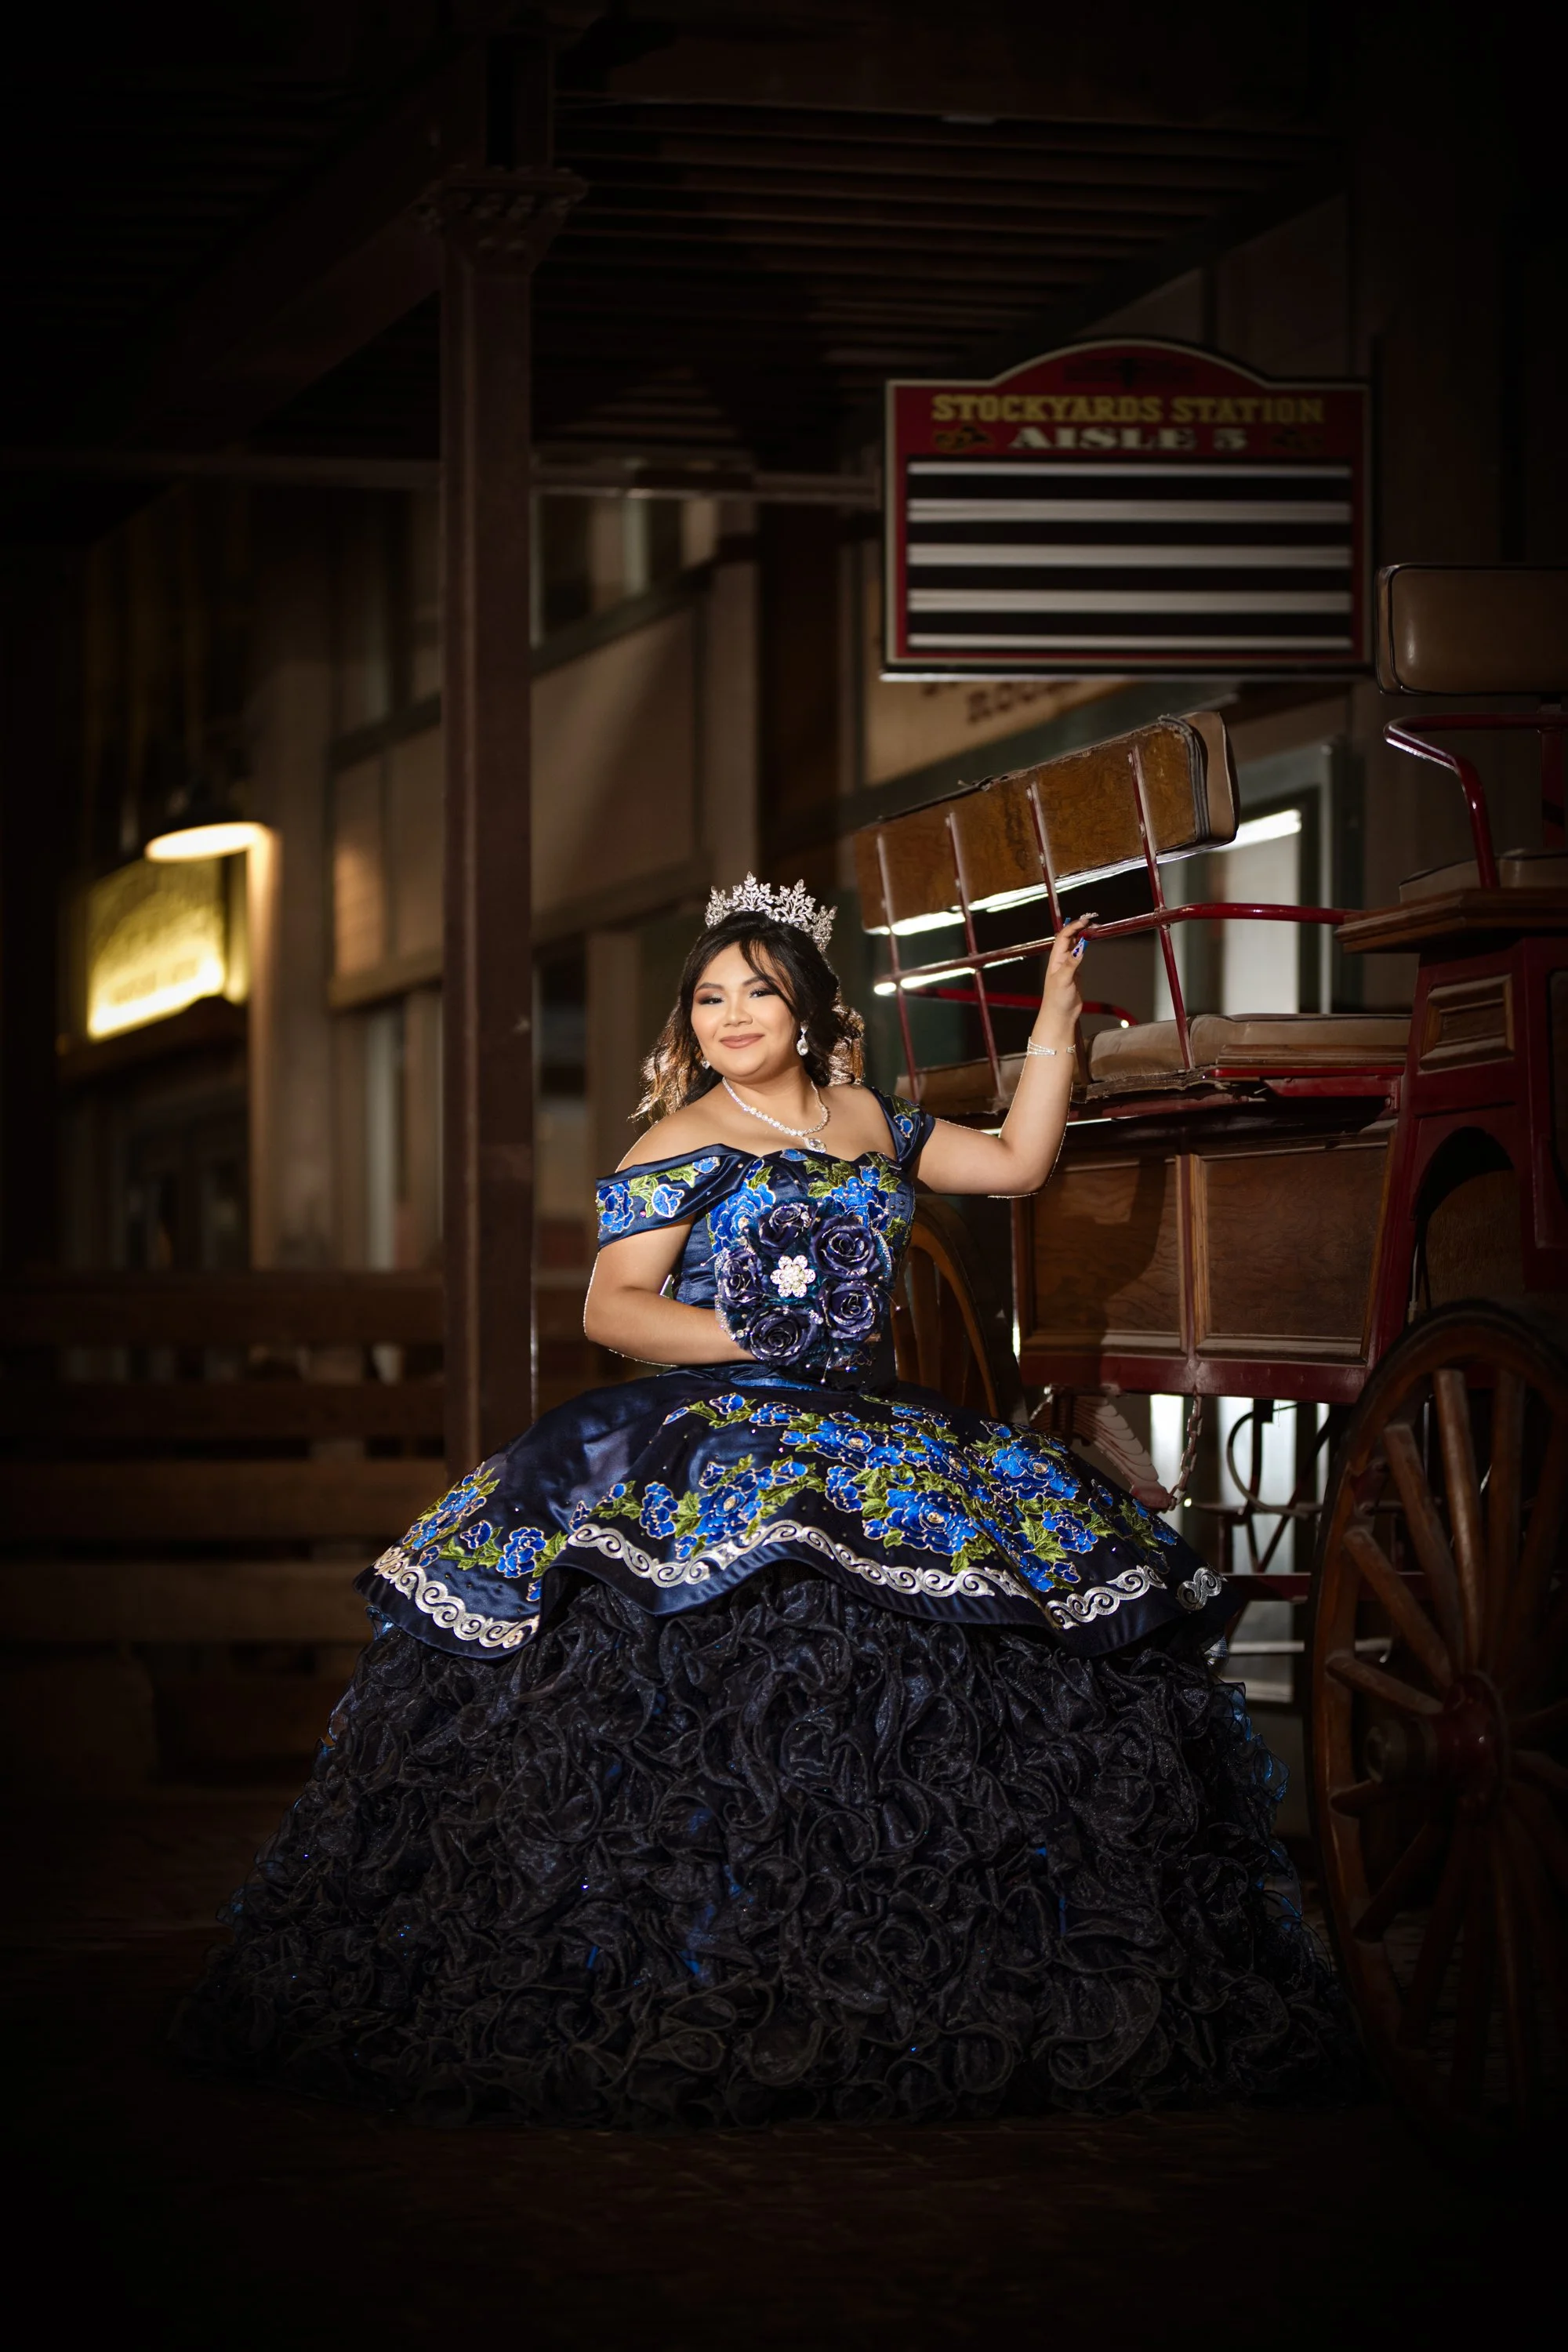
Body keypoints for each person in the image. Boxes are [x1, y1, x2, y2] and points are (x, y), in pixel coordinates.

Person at [175, 877, 1351, 2125]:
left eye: (759, 991)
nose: (732, 1013)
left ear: (809, 1010)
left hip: (875, 1422)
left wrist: (1059, 1014)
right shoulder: (674, 1142)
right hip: (724, 1418)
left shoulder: (864, 1118)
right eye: (709, 996)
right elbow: (610, 1308)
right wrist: (742, 1327)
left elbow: (1016, 1164)